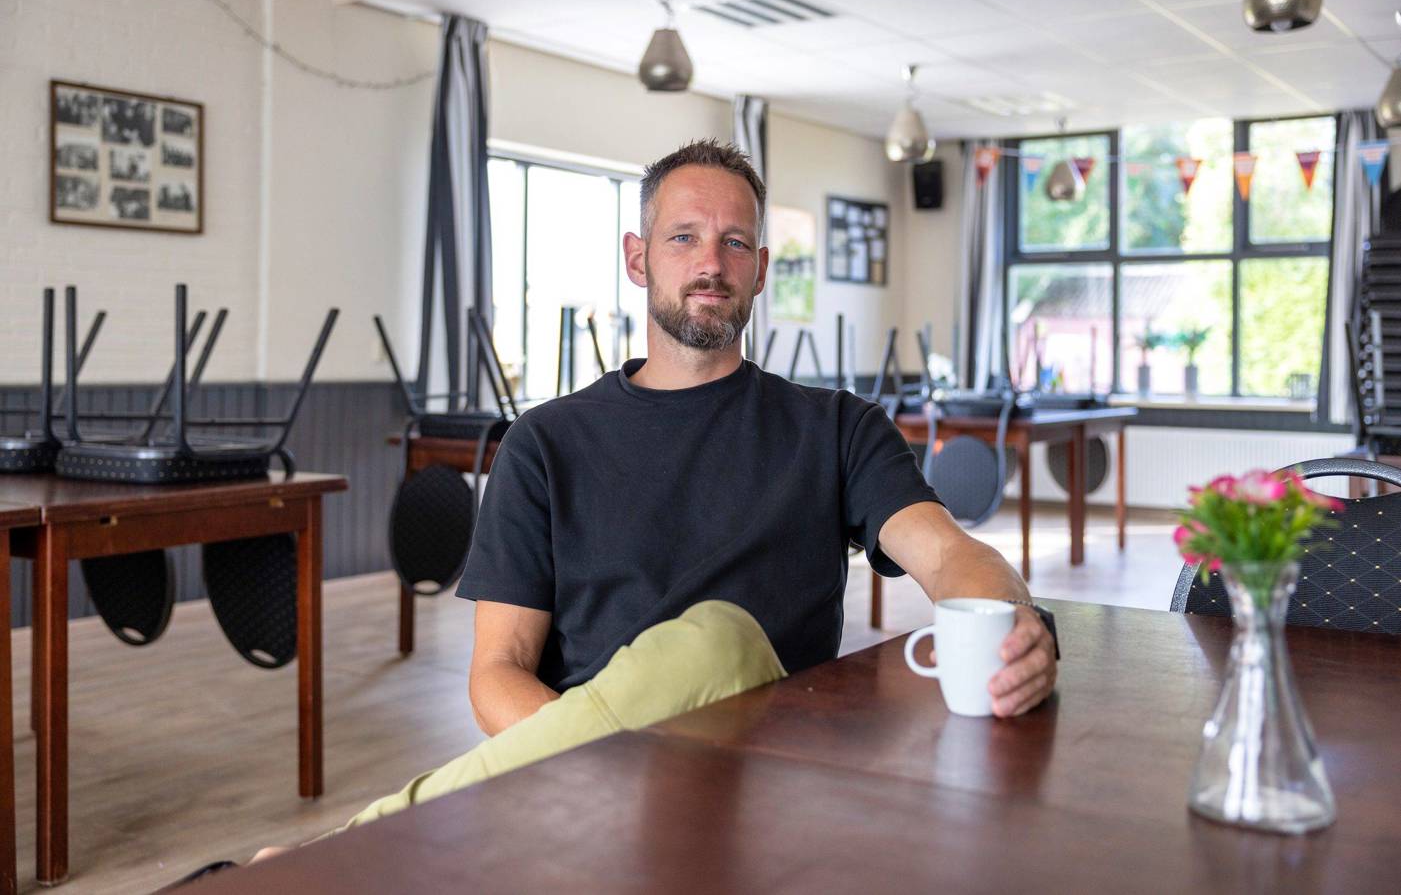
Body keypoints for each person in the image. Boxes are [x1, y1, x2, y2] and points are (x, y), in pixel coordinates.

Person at [241, 139, 1056, 868]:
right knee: (706, 642)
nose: (711, 263)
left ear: (759, 270)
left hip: (773, 781)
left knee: (717, 638)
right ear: (637, 259)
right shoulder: (544, 443)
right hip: (591, 788)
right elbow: (496, 674)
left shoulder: (837, 428)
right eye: (683, 238)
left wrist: (1011, 627)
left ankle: (340, 859)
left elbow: (947, 553)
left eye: (734, 242)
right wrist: (615, 773)